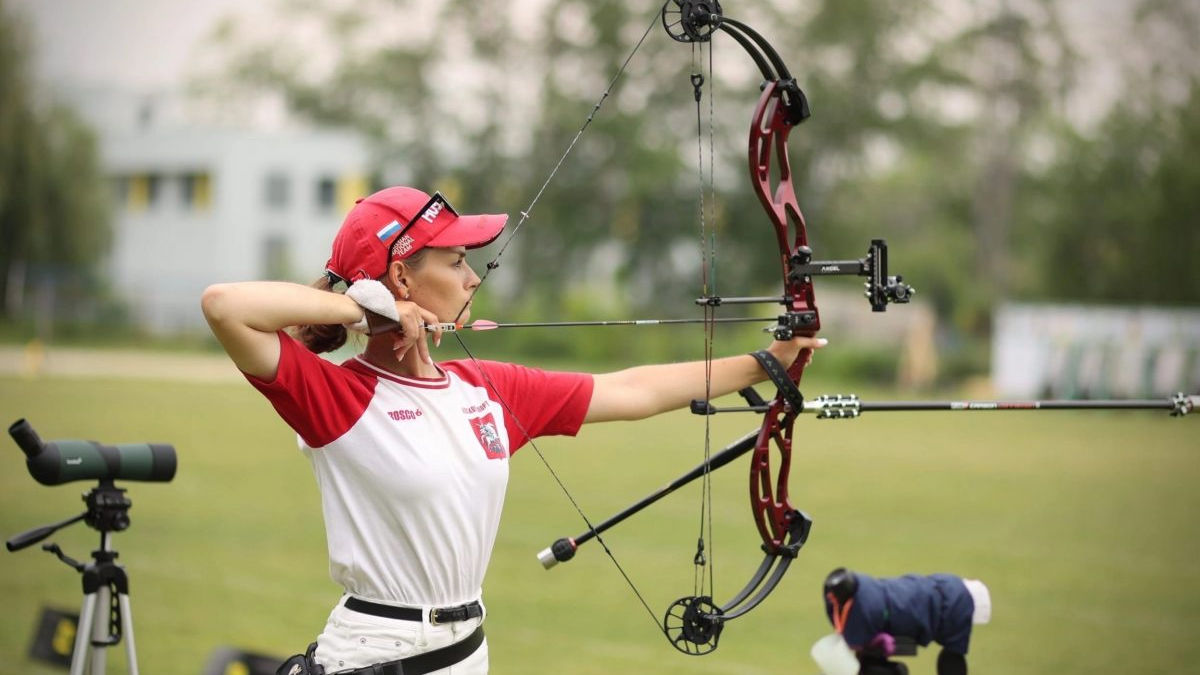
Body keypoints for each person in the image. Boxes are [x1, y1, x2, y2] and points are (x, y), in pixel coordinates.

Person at [201, 185, 826, 674]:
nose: (474, 277)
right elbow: (226, 306)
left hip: (466, 651)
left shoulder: (484, 388)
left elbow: (630, 391)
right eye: (456, 261)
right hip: (375, 651)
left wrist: (769, 362)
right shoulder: (336, 396)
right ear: (401, 278)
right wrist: (365, 311)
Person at [811, 567, 991, 675]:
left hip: (870, 608)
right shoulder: (957, 611)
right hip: (872, 616)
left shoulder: (944, 587)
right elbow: (952, 663)